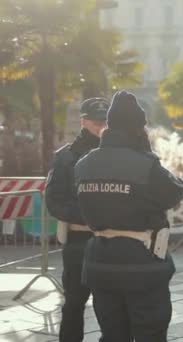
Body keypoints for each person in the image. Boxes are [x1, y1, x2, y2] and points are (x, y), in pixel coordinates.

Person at [74, 91, 183, 342]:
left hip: (100, 262)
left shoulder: (83, 164)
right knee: (150, 334)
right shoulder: (145, 164)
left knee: (113, 335)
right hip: (141, 265)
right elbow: (177, 190)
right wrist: (146, 154)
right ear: (138, 128)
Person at [45, 97, 108, 342]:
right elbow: (54, 200)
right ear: (84, 121)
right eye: (96, 121)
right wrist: (90, 216)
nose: (101, 125)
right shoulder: (64, 157)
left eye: (105, 120)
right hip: (79, 238)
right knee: (74, 302)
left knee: (110, 305)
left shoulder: (119, 155)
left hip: (111, 238)